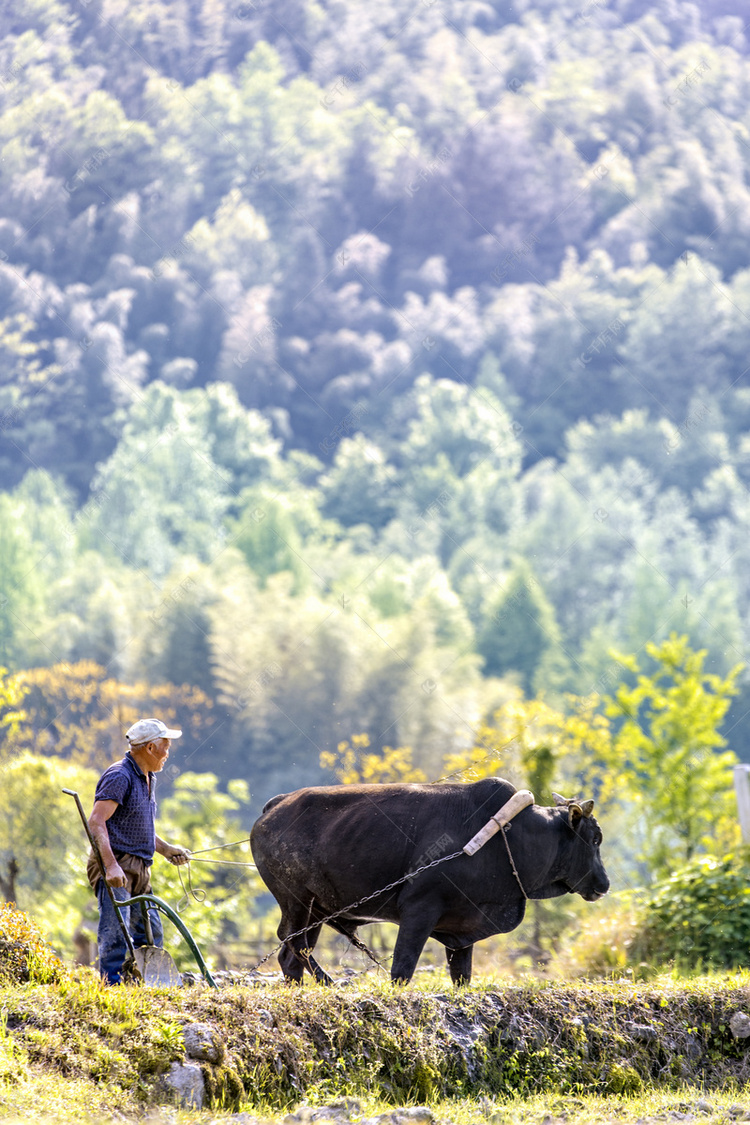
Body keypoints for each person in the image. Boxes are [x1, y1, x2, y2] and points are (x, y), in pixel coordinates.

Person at [87, 717, 191, 984]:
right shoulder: (119, 776)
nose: (168, 754)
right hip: (117, 864)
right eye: (166, 747)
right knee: (116, 934)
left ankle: (144, 985)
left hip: (140, 868)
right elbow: (97, 822)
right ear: (150, 748)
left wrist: (167, 850)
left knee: (151, 933)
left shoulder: (148, 777)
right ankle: (111, 989)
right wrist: (110, 866)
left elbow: (140, 826)